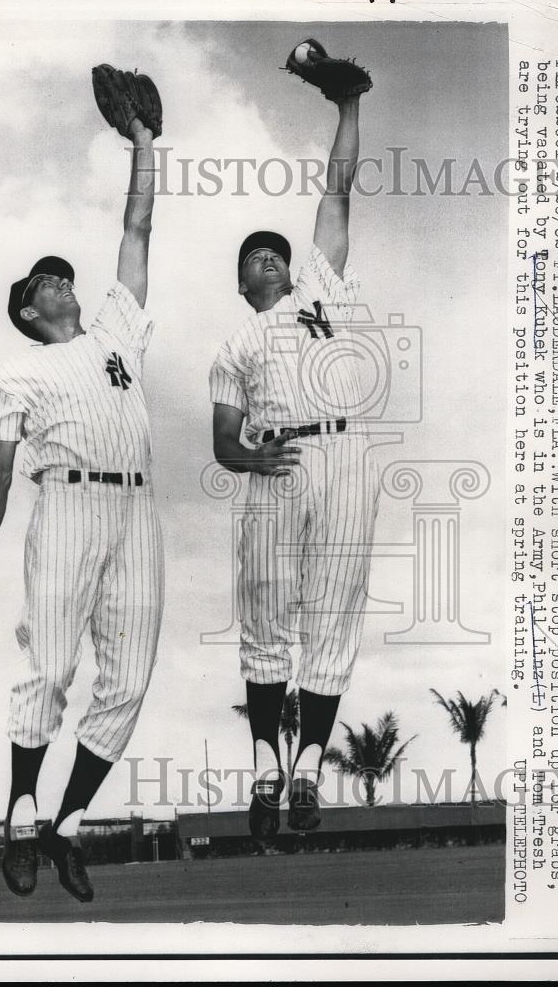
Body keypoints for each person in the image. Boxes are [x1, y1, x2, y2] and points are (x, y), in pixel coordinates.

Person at [0, 86, 163, 903]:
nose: (61, 282)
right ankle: (20, 813)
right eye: (46, 280)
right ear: (25, 309)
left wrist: (145, 140)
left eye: (62, 275)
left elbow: (138, 228)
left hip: (138, 510)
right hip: (68, 502)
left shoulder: (115, 332)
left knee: (130, 680)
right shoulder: (18, 371)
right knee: (49, 667)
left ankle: (67, 825)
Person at [209, 41, 379, 841]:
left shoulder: (322, 285)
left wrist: (346, 105)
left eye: (275, 250)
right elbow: (219, 441)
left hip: (343, 455)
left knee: (336, 614)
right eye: (255, 258)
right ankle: (265, 767)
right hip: (275, 463)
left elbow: (337, 188)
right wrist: (249, 457)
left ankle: (308, 766)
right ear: (244, 284)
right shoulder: (234, 346)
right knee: (267, 617)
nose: (270, 258)